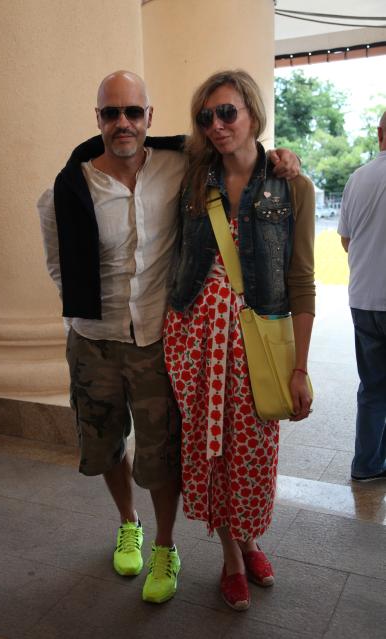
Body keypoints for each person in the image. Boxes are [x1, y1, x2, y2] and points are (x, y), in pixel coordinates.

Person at [37, 69, 301, 605]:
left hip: (159, 336)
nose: (123, 122)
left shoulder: (180, 165)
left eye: (133, 111)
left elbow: (239, 153)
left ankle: (165, 546)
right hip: (95, 339)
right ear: (97, 119)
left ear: (149, 117)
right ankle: (128, 524)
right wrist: (86, 310)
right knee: (105, 444)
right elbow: (58, 265)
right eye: (111, 113)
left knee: (164, 452)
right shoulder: (67, 188)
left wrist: (281, 157)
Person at [164, 69, 315, 611]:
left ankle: (251, 540)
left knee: (253, 450)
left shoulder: (292, 185)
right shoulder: (193, 179)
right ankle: (231, 556)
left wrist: (299, 368)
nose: (217, 125)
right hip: (196, 338)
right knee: (211, 451)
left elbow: (301, 280)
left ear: (253, 112)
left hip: (257, 342)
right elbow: (131, 139)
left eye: (228, 112)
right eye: (206, 117)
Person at [338, 110, 386, 483]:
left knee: (372, 387)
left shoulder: (358, 178)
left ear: (379, 134)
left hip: (364, 299)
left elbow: (346, 240)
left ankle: (366, 465)